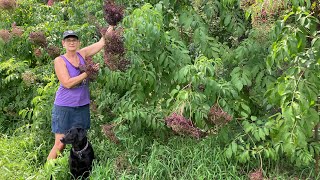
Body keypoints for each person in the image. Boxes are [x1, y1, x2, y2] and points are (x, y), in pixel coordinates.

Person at [47, 26, 114, 160]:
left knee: (79, 142)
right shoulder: (59, 60)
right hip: (64, 107)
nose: (71, 42)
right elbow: (67, 83)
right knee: (60, 144)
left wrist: (112, 24)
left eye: (74, 40)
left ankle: (79, 170)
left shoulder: (82, 54)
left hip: (82, 106)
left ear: (79, 43)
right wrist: (87, 74)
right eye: (68, 40)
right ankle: (48, 172)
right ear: (63, 43)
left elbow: (102, 43)